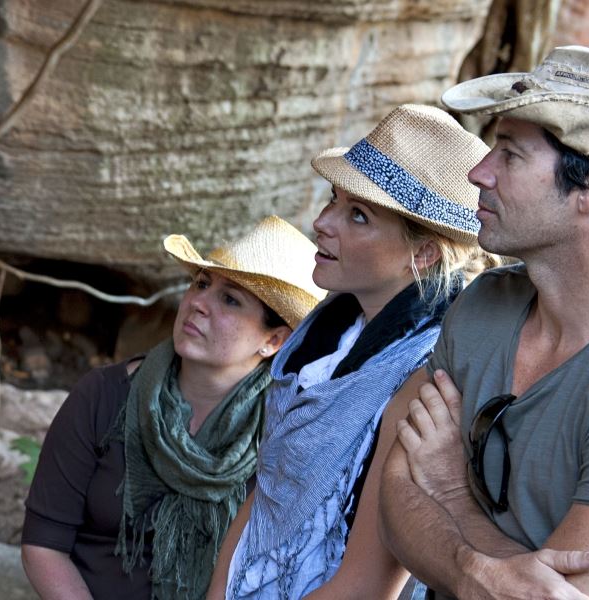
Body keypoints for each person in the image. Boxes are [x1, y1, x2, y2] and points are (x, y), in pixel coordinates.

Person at [381, 45, 589, 599]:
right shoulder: (483, 304)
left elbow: (560, 597)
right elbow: (395, 494)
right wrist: (471, 570)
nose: (478, 172)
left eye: (509, 153)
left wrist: (452, 496)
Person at [209, 104, 497, 599]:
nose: (322, 222)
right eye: (334, 200)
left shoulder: (425, 373)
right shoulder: (324, 329)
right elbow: (267, 493)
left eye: (358, 216)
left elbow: (369, 585)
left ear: (423, 254)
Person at [21, 215, 324, 600]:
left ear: (274, 341)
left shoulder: (285, 430)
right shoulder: (103, 395)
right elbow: (44, 544)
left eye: (230, 299)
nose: (198, 303)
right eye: (200, 284)